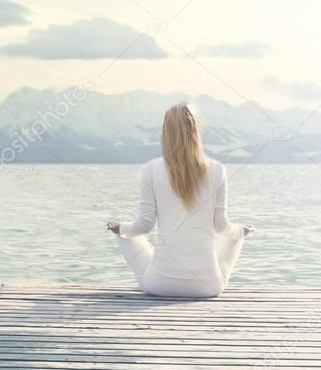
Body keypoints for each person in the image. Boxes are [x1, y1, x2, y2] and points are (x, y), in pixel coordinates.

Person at [107, 102, 252, 297]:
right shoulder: (218, 170)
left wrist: (121, 229)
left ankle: (125, 234)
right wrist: (241, 231)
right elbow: (220, 226)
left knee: (126, 235)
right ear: (196, 132)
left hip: (159, 285)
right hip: (207, 288)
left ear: (166, 133)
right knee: (233, 236)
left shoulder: (150, 170)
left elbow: (144, 225)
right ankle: (241, 232)